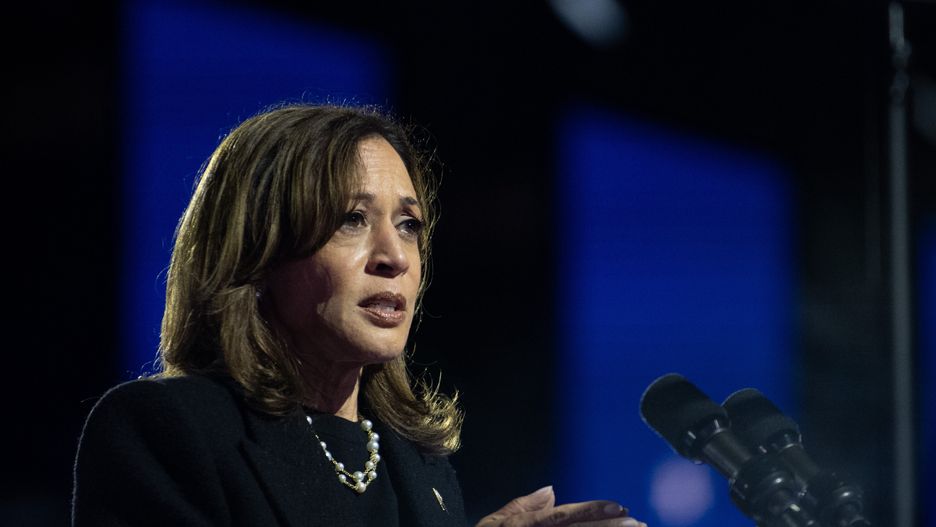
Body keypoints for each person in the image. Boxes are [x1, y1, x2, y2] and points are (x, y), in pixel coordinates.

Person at [71, 104, 648, 527]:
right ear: (258, 248)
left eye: (409, 225)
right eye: (351, 219)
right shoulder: (166, 432)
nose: (395, 257)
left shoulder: (421, 467)